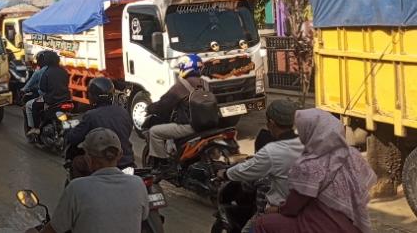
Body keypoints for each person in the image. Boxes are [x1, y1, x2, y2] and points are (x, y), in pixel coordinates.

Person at [254, 108, 377, 233]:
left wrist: (278, 209)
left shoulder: (311, 164)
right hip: (354, 224)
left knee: (262, 222)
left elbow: (293, 207)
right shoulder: (352, 154)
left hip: (320, 225)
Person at [31, 128, 148, 233]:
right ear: (120, 155)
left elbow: (54, 229)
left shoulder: (77, 188)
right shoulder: (138, 184)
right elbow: (143, 217)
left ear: (89, 159)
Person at [216, 100, 304, 233]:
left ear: (272, 123)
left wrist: (224, 173)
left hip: (276, 212)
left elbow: (244, 170)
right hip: (302, 210)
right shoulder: (305, 143)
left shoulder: (272, 152)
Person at [65, 77, 135, 176]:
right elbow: (127, 132)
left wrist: (68, 131)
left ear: (92, 96)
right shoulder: (123, 112)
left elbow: (74, 138)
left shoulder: (91, 116)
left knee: (77, 162)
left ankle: (80, 188)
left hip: (103, 164)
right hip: (128, 160)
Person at [145, 54, 203, 171]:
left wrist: (149, 108)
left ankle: (162, 166)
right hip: (208, 125)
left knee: (154, 132)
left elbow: (164, 104)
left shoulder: (182, 86)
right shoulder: (205, 83)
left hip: (190, 127)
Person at [29, 51, 70, 134]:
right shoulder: (64, 71)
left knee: (34, 105)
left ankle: (36, 128)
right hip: (66, 99)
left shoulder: (46, 72)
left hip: (51, 99)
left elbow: (43, 89)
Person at [23, 51, 48, 134]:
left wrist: (23, 90)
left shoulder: (39, 71)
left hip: (48, 97)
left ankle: (35, 128)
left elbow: (31, 84)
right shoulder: (60, 70)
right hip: (64, 97)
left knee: (30, 105)